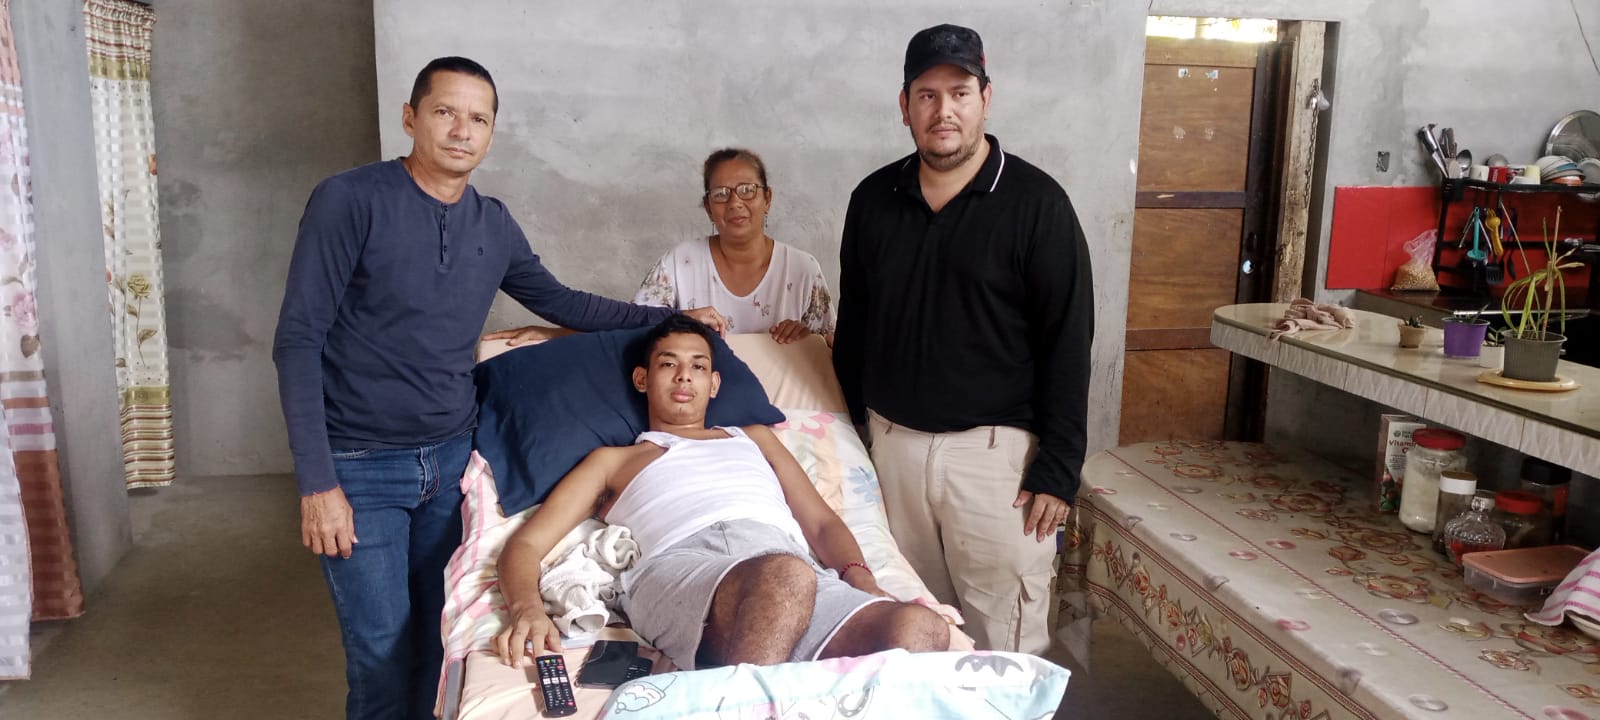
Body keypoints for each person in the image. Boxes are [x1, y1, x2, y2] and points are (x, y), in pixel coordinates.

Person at [272, 57, 725, 720]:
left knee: (437, 640)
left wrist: (670, 320)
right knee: (379, 655)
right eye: (445, 112)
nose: (462, 130)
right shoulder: (349, 200)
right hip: (361, 466)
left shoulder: (492, 222)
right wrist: (318, 483)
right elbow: (297, 340)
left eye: (478, 119)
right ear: (411, 118)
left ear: (491, 132)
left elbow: (560, 301)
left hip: (450, 461)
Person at [832, 24, 1095, 655]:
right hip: (891, 451)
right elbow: (855, 325)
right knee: (911, 631)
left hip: (996, 461)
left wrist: (1059, 471)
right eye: (927, 95)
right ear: (905, 106)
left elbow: (1068, 340)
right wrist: (852, 436)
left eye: (959, 93)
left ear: (985, 99)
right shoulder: (873, 199)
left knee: (1003, 643)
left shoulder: (1037, 204)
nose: (943, 110)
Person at [493, 315, 949, 671]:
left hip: (787, 569)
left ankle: (764, 689)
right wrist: (527, 608)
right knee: (784, 577)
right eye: (668, 364)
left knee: (922, 627)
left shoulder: (755, 437)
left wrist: (860, 579)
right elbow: (527, 544)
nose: (683, 377)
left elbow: (822, 522)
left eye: (698, 366)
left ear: (713, 384)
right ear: (642, 380)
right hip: (681, 566)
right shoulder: (612, 461)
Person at [633, 148, 835, 344]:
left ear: (767, 199)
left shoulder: (802, 269)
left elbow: (835, 348)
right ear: (708, 208)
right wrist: (681, 321)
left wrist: (809, 340)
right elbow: (632, 333)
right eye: (721, 194)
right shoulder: (678, 264)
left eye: (747, 190)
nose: (735, 203)